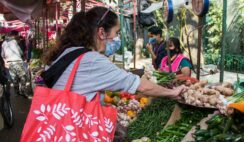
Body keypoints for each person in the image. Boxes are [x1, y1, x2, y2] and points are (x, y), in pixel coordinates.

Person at [42, 7, 184, 104]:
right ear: (101, 32)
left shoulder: (70, 51)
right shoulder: (92, 60)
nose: (116, 38)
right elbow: (141, 86)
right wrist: (172, 93)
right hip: (72, 133)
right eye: (116, 33)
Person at [1, 30, 31, 98]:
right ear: (13, 35)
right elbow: (20, 51)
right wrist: (23, 57)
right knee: (23, 76)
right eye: (16, 35)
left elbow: (2, 55)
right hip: (17, 61)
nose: (17, 36)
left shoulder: (3, 43)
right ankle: (23, 91)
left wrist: (6, 60)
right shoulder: (14, 41)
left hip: (10, 63)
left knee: (14, 78)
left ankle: (17, 92)